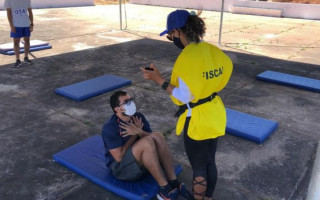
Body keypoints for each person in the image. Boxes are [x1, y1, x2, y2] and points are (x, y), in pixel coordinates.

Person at [141, 10, 233, 200]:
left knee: (199, 166)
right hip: (214, 112)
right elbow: (226, 69)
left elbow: (184, 96)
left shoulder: (187, 57)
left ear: (177, 31)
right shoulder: (211, 50)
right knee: (210, 161)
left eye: (170, 35)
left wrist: (159, 80)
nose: (171, 39)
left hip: (197, 119)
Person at [101, 90, 192, 200]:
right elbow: (119, 158)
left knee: (157, 136)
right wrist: (134, 135)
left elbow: (153, 138)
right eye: (126, 102)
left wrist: (139, 131)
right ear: (117, 108)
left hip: (139, 163)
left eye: (131, 100)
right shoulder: (110, 127)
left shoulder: (137, 116)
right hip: (121, 170)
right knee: (146, 143)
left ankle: (173, 181)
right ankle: (164, 189)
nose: (131, 103)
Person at [4, 0, 34, 68]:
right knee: (16, 42)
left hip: (26, 24)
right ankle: (18, 60)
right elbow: (8, 13)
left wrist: (32, 24)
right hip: (16, 25)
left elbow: (30, 12)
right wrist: (11, 25)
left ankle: (26, 58)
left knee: (27, 41)